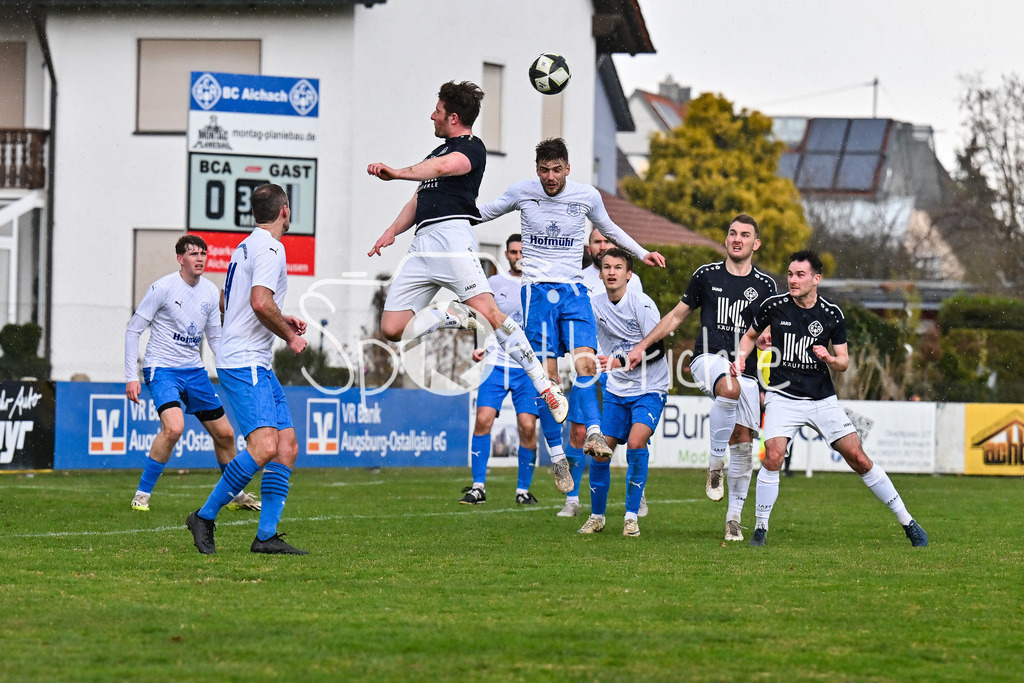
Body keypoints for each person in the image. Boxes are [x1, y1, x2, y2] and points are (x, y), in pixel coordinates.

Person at [366, 81, 566, 427]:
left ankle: (543, 383)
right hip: (422, 244)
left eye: (438, 111)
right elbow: (418, 198)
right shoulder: (434, 154)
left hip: (451, 239)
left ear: (454, 117)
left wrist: (397, 171)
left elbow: (445, 169)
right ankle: (447, 315)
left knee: (490, 313)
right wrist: (391, 231)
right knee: (392, 328)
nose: (433, 116)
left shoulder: (472, 148)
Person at [477, 137, 666, 496]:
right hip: (537, 294)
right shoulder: (522, 192)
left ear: (568, 168)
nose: (551, 177)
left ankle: (593, 432)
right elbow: (484, 211)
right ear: (537, 170)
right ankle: (559, 456)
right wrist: (439, 211)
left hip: (574, 292)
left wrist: (642, 254)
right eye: (545, 170)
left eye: (557, 169)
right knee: (548, 381)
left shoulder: (586, 195)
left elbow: (609, 229)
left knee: (585, 365)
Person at [730, 249, 928, 547]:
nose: (793, 280)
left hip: (822, 399)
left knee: (859, 459)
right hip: (783, 397)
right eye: (790, 274)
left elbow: (844, 361)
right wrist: (742, 357)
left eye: (800, 275)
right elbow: (749, 336)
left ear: (816, 279)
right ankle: (760, 528)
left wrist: (829, 358)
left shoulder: (832, 314)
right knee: (772, 456)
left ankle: (907, 521)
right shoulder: (774, 306)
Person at [626, 214, 777, 541]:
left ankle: (733, 518)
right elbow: (676, 317)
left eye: (745, 235)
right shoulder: (706, 275)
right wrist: (642, 345)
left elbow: (767, 332)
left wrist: (766, 340)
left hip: (745, 371)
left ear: (756, 243)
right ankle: (714, 464)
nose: (737, 239)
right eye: (733, 233)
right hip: (707, 360)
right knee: (728, 387)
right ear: (726, 239)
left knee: (744, 441)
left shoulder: (766, 286)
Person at [186, 183, 309, 555]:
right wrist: (289, 333)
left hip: (252, 360)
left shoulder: (245, 246)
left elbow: (232, 303)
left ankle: (266, 536)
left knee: (286, 447)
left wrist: (276, 316)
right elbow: (258, 302)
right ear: (284, 211)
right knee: (264, 446)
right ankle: (204, 516)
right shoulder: (272, 247)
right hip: (245, 361)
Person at [124, 235, 259, 513]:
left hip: (194, 371)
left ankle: (235, 495)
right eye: (193, 253)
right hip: (161, 369)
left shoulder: (210, 292)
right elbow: (133, 329)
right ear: (180, 259)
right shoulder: (162, 288)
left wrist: (232, 369)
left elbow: (215, 338)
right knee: (174, 427)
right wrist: (131, 376)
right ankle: (142, 494)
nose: (200, 258)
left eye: (203, 253)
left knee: (225, 434)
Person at [576, 249, 669, 537]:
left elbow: (657, 349)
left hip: (649, 388)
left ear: (629, 274)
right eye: (606, 267)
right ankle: (597, 517)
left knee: (637, 442)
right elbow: (584, 342)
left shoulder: (641, 304)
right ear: (600, 273)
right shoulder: (593, 305)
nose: (612, 272)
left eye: (618, 267)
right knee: (600, 453)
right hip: (617, 390)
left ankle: (631, 517)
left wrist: (619, 361)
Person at [559, 229, 647, 518]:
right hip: (587, 365)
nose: (602, 246)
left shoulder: (633, 282)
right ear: (589, 247)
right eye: (597, 242)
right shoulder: (578, 278)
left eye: (606, 242)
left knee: (633, 433)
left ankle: (638, 489)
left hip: (621, 368)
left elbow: (639, 326)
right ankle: (572, 498)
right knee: (579, 432)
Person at [460, 234, 540, 505]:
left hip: (526, 367)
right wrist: (478, 344)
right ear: (506, 254)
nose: (519, 256)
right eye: (514, 252)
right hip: (495, 363)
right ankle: (478, 487)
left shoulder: (538, 285)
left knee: (527, 427)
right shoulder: (493, 283)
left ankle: (522, 491)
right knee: (483, 420)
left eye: (523, 252)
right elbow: (478, 316)